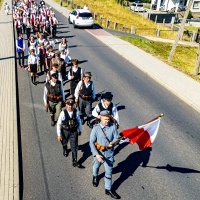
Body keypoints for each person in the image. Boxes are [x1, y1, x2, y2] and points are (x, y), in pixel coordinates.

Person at [90, 110, 121, 199]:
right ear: (101, 118)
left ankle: (108, 189)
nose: (107, 121)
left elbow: (117, 138)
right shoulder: (96, 128)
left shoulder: (113, 127)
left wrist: (114, 143)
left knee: (109, 172)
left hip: (109, 154)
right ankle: (95, 176)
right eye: (105, 119)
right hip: (99, 153)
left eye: (108, 119)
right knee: (96, 166)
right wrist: (96, 154)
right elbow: (91, 142)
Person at [57, 99, 82, 167]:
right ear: (66, 105)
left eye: (71, 106)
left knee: (74, 145)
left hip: (73, 131)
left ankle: (74, 160)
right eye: (68, 106)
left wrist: (79, 130)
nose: (70, 107)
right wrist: (59, 134)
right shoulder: (63, 113)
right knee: (64, 141)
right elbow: (59, 124)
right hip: (65, 130)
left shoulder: (76, 112)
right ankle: (65, 148)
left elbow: (79, 121)